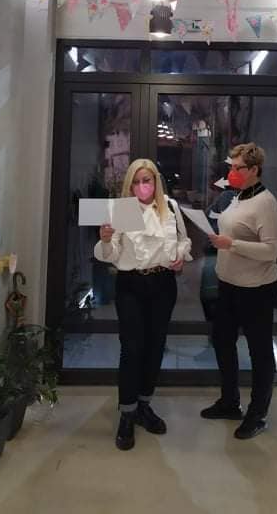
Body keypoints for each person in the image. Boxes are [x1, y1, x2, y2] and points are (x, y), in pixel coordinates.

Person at [94, 159, 192, 451]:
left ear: (156, 181)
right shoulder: (122, 210)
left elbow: (184, 240)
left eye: (146, 180)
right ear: (129, 184)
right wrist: (106, 240)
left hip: (163, 284)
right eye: (136, 181)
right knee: (132, 347)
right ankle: (127, 412)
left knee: (155, 345)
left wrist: (180, 256)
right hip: (131, 285)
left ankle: (144, 405)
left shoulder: (170, 207)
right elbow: (110, 254)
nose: (141, 186)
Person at [202, 142, 277, 440]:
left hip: (255, 289)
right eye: (231, 167)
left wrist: (231, 244)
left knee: (259, 352)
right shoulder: (237, 197)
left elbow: (272, 250)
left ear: (254, 170)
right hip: (228, 284)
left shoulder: (265, 203)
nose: (231, 172)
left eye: (237, 168)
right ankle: (229, 402)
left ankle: (258, 415)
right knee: (222, 341)